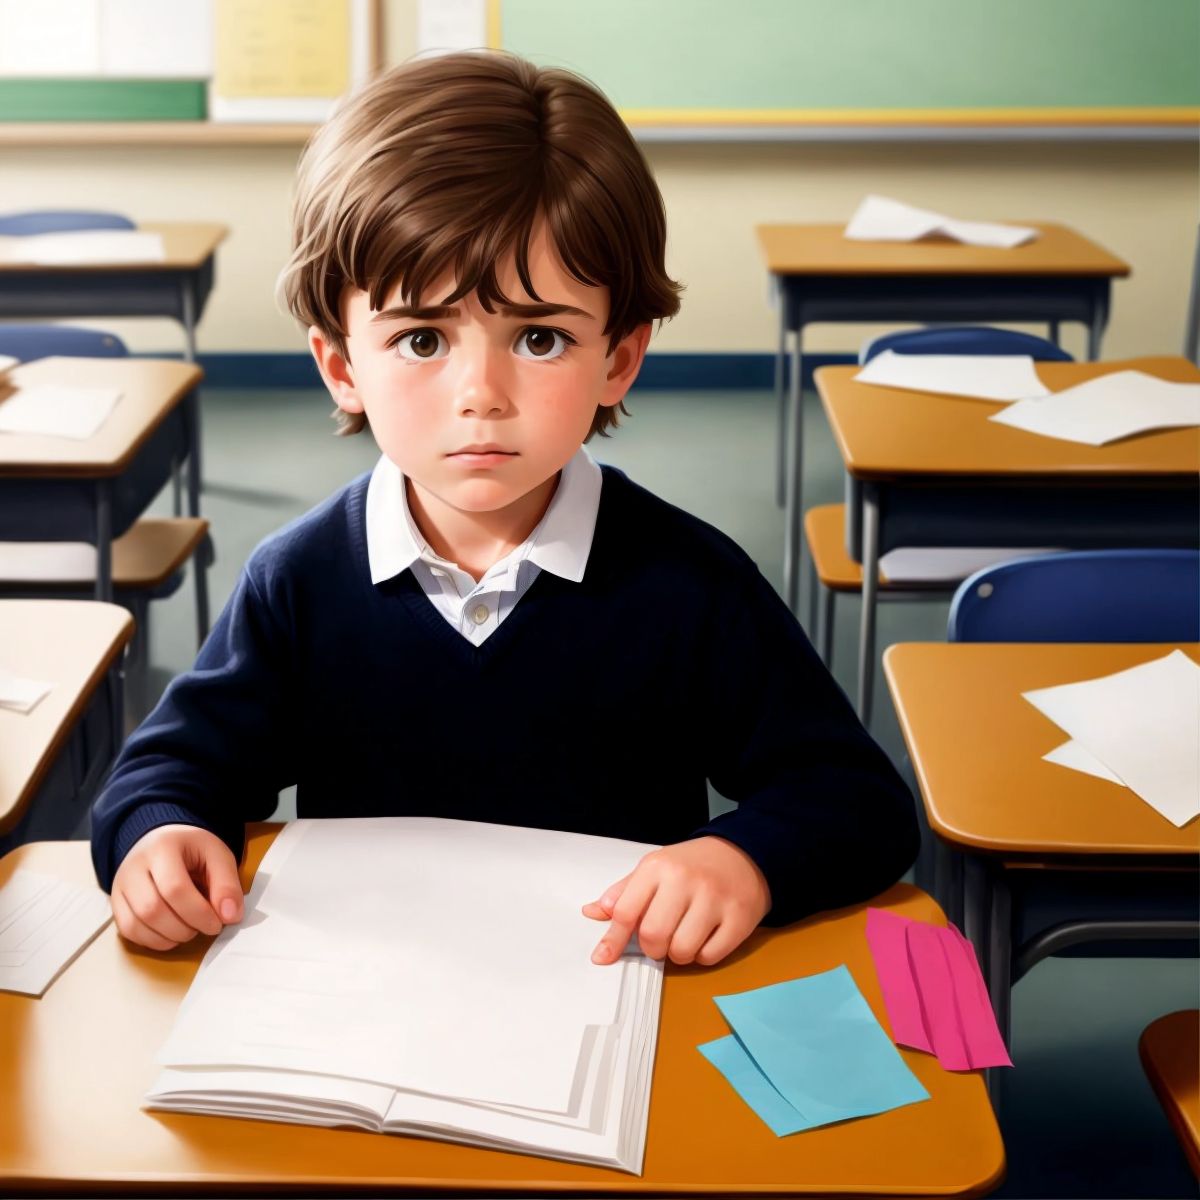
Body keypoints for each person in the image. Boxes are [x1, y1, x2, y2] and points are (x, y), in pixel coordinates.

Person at [90, 50, 917, 968]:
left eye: (538, 336)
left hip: (605, 1007)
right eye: (420, 338)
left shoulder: (692, 585)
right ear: (341, 366)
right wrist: (159, 839)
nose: (481, 393)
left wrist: (746, 858)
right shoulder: (299, 580)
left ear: (619, 357)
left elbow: (857, 800)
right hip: (364, 1009)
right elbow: (169, 771)